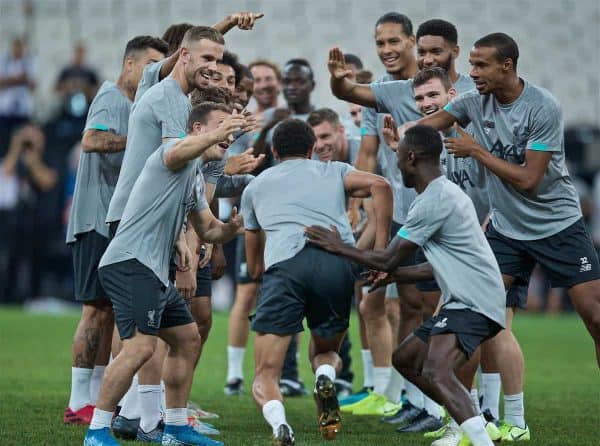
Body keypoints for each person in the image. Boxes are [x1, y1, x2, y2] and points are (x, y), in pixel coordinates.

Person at [415, 32, 600, 442]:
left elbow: (531, 180)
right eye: (473, 65)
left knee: (596, 317)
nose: (473, 74)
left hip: (558, 225)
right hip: (505, 229)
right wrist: (405, 137)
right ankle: (497, 422)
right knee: (477, 317)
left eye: (481, 66)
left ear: (507, 66)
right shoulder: (470, 101)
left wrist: (477, 151)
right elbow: (432, 124)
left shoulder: (542, 106)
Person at [305, 125, 505, 446]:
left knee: (438, 371)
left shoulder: (434, 201)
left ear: (411, 157)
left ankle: (480, 439)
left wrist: (338, 245)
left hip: (474, 301)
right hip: (467, 298)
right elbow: (432, 266)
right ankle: (471, 422)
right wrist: (396, 277)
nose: (396, 164)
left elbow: (387, 258)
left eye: (398, 156)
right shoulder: (444, 193)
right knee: (406, 359)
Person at [83, 101, 244, 446]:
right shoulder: (171, 151)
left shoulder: (195, 178)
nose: (229, 135)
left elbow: (209, 228)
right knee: (140, 349)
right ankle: (96, 431)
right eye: (220, 126)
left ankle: (174, 426)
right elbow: (176, 152)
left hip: (152, 270)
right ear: (198, 130)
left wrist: (233, 229)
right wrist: (221, 130)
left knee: (187, 339)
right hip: (130, 262)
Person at [105, 26, 224, 441]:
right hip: (135, 226)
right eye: (206, 59)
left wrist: (182, 237)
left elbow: (178, 182)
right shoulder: (169, 98)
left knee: (178, 333)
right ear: (183, 58)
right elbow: (173, 156)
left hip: (153, 224)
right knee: (142, 335)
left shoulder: (167, 94)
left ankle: (155, 418)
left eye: (218, 60)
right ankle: (132, 418)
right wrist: (218, 133)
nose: (214, 68)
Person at [241, 119, 392, 445]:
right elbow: (381, 185)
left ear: (273, 151)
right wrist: (381, 254)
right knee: (326, 352)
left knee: (266, 373)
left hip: (285, 268)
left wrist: (258, 274)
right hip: (335, 264)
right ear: (311, 151)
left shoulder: (255, 185)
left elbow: (253, 261)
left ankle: (280, 424)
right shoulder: (333, 170)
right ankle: (324, 376)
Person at [63, 35, 168, 426]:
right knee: (95, 310)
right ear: (129, 64)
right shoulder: (111, 97)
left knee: (107, 311)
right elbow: (90, 141)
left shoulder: (134, 103)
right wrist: (138, 141)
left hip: (113, 218)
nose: (154, 72)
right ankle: (78, 402)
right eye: (150, 63)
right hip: (96, 215)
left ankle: (91, 397)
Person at [328, 12, 418, 423]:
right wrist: (357, 203)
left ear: (412, 41)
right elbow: (367, 153)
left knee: (409, 306)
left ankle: (409, 394)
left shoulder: (435, 90)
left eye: (393, 42)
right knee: (376, 302)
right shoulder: (379, 92)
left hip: (430, 213)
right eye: (380, 44)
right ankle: (386, 389)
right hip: (395, 211)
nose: (386, 50)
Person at [0, 37, 36, 156]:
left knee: (24, 143)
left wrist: (15, 80)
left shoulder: (28, 62)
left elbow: (33, 85)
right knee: (4, 143)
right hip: (6, 110)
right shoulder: (4, 61)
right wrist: (17, 79)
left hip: (23, 111)